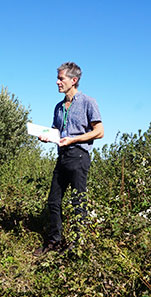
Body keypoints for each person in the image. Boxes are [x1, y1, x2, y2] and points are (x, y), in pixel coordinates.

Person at [34, 62, 104, 256]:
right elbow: (57, 130)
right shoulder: (58, 107)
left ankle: (79, 245)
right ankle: (54, 242)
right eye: (57, 78)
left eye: (61, 78)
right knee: (53, 201)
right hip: (62, 156)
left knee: (78, 202)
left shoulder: (88, 102)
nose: (57, 82)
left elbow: (99, 132)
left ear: (74, 81)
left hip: (79, 156)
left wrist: (74, 139)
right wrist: (47, 136)